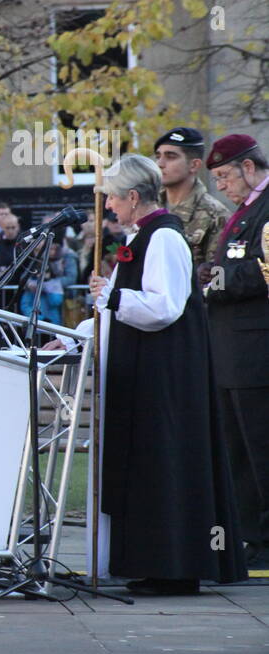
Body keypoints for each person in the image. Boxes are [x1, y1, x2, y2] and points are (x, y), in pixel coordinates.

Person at [68, 154, 246, 593]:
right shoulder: (144, 235)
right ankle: (152, 563)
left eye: (111, 198)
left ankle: (175, 568)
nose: (108, 206)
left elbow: (164, 307)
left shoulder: (164, 238)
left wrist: (111, 297)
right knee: (148, 465)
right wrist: (82, 329)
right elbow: (130, 307)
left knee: (165, 464)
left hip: (165, 376)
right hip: (145, 370)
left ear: (133, 196)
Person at [200, 133, 269, 568]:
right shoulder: (244, 211)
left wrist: (216, 281)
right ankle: (251, 539)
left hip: (256, 352)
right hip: (232, 353)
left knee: (261, 451)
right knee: (239, 454)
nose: (221, 186)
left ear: (249, 167)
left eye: (225, 176)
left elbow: (265, 273)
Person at [154, 127, 228, 265]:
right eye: (158, 156)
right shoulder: (150, 205)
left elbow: (219, 277)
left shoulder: (216, 215)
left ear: (194, 165)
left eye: (170, 157)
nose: (160, 164)